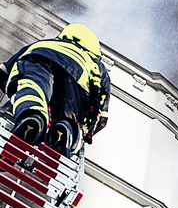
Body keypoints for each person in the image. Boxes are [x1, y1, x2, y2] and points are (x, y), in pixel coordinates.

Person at [0, 23, 110, 158]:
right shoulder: (98, 65)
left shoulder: (46, 43)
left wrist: (11, 91)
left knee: (33, 90)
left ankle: (32, 117)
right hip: (79, 77)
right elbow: (101, 114)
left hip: (40, 56)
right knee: (69, 116)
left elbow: (2, 71)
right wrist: (87, 131)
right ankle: (64, 133)